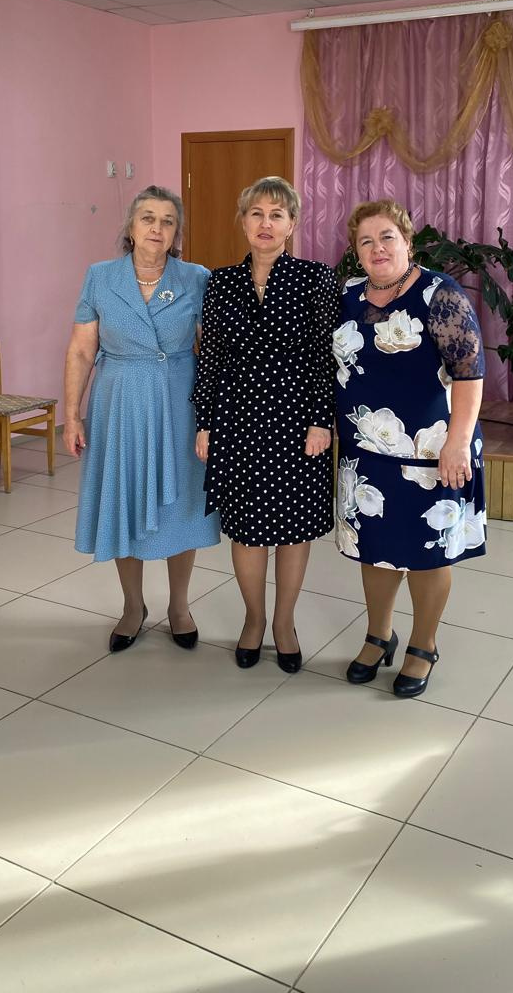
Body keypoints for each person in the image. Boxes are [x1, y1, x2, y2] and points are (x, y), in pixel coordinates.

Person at [334, 199, 486, 699]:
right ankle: (379, 635)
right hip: (367, 451)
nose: (377, 248)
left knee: (427, 550)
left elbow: (470, 377)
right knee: (374, 547)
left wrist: (457, 444)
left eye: (387, 237)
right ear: (356, 251)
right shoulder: (347, 295)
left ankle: (424, 644)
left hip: (431, 450)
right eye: (366, 241)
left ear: (407, 240)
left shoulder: (440, 296)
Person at [63, 186, 219, 653]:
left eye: (168, 221)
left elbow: (212, 352)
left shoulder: (196, 278)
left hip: (178, 402)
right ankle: (133, 607)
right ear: (130, 227)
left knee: (181, 503)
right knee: (124, 499)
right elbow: (81, 350)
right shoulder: (100, 277)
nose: (157, 228)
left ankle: (179, 606)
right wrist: (71, 416)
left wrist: (214, 417)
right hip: (119, 404)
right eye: (148, 218)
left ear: (177, 233)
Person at [193, 177, 338, 673]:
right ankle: (253, 619)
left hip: (298, 420)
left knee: (294, 528)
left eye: (277, 214)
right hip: (237, 420)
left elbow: (325, 356)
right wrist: (205, 422)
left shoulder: (315, 278)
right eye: (256, 213)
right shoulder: (221, 282)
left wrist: (321, 420)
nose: (265, 223)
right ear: (243, 222)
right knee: (247, 529)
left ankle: (284, 623)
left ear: (291, 225)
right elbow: (212, 357)